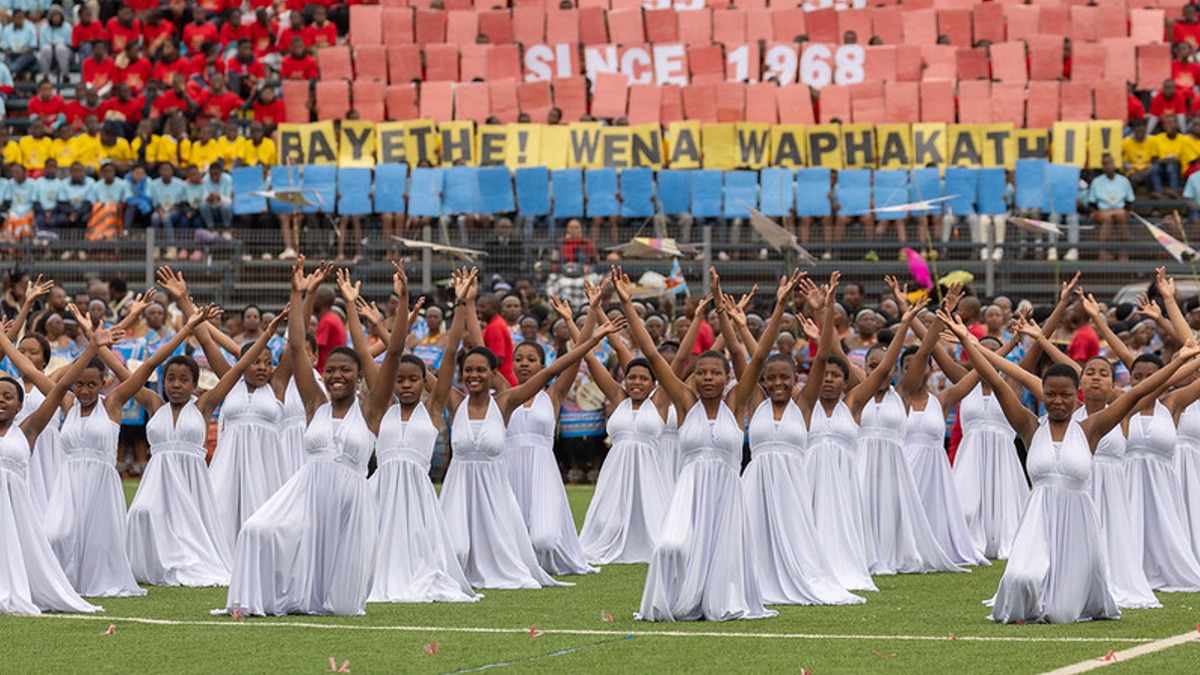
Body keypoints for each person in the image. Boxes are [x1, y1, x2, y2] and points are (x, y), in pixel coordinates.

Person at [943, 309, 1200, 624]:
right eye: (1050, 395)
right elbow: (997, 382)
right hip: (1037, 520)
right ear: (1043, 395)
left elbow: (1138, 392)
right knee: (1021, 580)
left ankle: (1079, 590)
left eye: (1065, 395)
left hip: (1078, 524)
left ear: (1073, 394)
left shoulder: (1091, 429)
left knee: (1062, 613)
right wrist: (968, 342)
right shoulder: (1029, 426)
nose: (1058, 401)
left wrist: (1178, 361)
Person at [625, 266, 801, 622]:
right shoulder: (684, 403)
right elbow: (654, 356)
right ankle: (677, 599)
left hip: (726, 494)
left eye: (715, 373)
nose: (708, 378)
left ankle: (712, 600)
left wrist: (778, 306)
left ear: (726, 377)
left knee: (722, 558)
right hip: (688, 491)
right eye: (702, 372)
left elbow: (758, 357)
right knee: (670, 546)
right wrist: (628, 304)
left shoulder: (735, 404)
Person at [438, 267, 620, 589]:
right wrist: (469, 302)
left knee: (545, 539)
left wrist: (589, 315)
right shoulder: (504, 394)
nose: (523, 363)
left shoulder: (553, 394)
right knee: (508, 536)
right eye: (519, 358)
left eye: (530, 360)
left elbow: (572, 359)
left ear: (541, 364)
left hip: (541, 472)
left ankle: (539, 562)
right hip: (505, 471)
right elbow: (480, 351)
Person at [1013, 316, 1161, 609]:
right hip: (1077, 489)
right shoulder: (1073, 413)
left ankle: (1099, 584)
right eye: (1089, 373)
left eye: (1103, 373)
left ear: (1112, 382)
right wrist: (1039, 340)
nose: (1095, 377)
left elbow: (1145, 388)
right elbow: (1022, 378)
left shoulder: (1117, 414)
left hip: (1113, 491)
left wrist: (1181, 360)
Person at [4, 305, 148, 598]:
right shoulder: (67, 402)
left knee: (99, 544)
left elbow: (143, 371)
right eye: (79, 384)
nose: (84, 390)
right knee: (54, 534)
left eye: (92, 384)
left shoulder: (112, 404)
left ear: (103, 383)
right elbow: (29, 370)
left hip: (100, 484)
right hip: (67, 482)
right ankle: (58, 580)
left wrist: (97, 342)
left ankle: (95, 581)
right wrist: (3, 340)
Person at [741, 273, 865, 605]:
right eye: (771, 378)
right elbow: (755, 359)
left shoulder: (804, 405)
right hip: (755, 483)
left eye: (785, 377)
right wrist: (779, 305)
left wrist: (825, 311)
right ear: (763, 381)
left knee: (797, 539)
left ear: (797, 379)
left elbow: (823, 358)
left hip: (795, 483)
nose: (778, 383)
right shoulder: (755, 401)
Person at [156, 267, 290, 550]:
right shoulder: (232, 383)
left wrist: (301, 296)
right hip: (229, 468)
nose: (262, 367)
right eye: (256, 362)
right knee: (219, 520)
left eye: (268, 363)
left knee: (266, 524)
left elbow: (297, 348)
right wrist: (183, 299)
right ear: (244, 363)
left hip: (266, 467)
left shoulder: (276, 388)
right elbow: (206, 339)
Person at [575, 285, 683, 565]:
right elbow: (588, 356)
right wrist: (594, 310)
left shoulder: (660, 400)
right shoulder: (617, 397)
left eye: (643, 379)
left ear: (654, 382)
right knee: (607, 523)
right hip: (616, 469)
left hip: (650, 470)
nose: (636, 382)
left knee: (655, 527)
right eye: (631, 377)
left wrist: (626, 303)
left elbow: (655, 354)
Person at [0, 334, 104, 615]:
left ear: (19, 406)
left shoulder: (27, 430)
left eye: (8, 397)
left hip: (16, 511)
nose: (1, 401)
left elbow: (60, 388)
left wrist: (91, 348)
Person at [1087, 154, 1134, 262]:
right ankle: (1103, 252)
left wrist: (1124, 211)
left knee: (1120, 217)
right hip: (1103, 211)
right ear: (1103, 166)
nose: (1109, 166)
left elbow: (1130, 201)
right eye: (1106, 164)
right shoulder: (1096, 182)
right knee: (1108, 219)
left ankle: (1123, 253)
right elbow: (1092, 203)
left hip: (1120, 211)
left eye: (1111, 163)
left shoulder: (1124, 181)